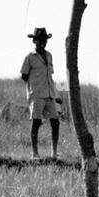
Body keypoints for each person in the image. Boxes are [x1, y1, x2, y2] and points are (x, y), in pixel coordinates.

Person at [20, 28, 61, 161]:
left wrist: (56, 94)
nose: (42, 43)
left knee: (55, 122)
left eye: (44, 40)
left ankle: (54, 153)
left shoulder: (49, 55)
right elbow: (24, 76)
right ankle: (35, 154)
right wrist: (34, 87)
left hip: (49, 94)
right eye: (40, 40)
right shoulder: (29, 57)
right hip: (36, 94)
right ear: (34, 41)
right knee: (36, 122)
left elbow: (50, 75)